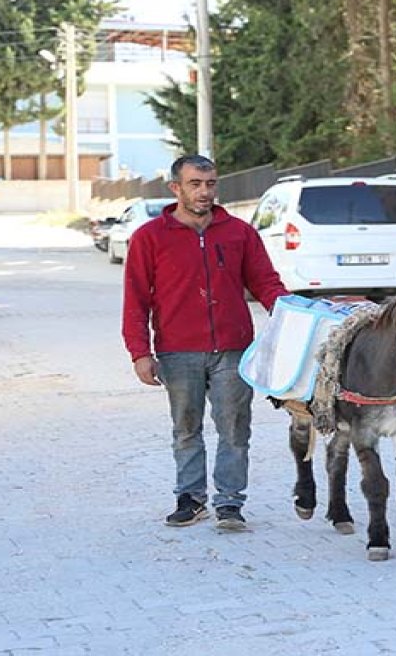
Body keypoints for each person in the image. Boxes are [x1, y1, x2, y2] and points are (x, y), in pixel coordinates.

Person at [122, 154, 290, 531]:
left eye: (211, 183)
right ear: (176, 188)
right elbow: (136, 299)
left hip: (234, 349)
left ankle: (230, 503)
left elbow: (266, 283)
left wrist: (294, 317)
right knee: (186, 427)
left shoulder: (239, 233)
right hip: (177, 350)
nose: (204, 191)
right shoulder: (149, 237)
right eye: (195, 184)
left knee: (234, 427)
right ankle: (190, 499)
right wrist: (140, 353)